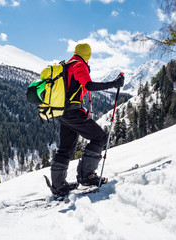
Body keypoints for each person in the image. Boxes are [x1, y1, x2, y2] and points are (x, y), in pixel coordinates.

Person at [50, 43, 124, 196]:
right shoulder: (79, 65)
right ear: (88, 55)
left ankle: (58, 185)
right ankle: (87, 176)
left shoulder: (67, 65)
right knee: (100, 137)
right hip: (72, 113)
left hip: (62, 113)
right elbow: (89, 85)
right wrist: (114, 84)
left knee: (66, 148)